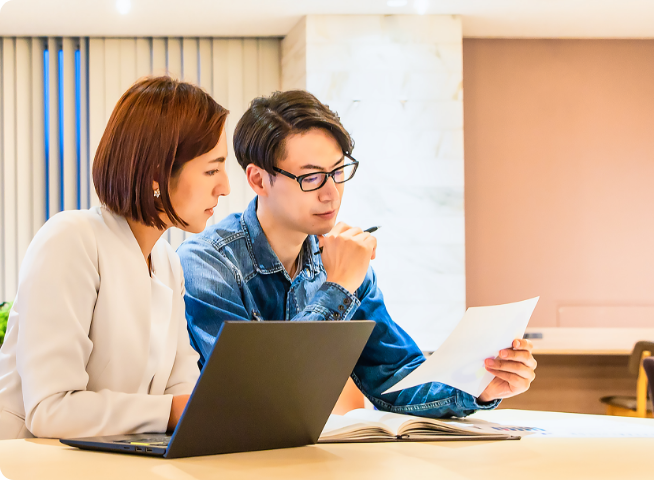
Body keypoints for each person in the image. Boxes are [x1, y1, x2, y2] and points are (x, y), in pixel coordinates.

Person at [178, 90, 537, 418]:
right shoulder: (206, 262)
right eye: (312, 177)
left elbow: (393, 375)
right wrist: (338, 287)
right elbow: (256, 397)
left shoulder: (342, 256)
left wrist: (478, 386)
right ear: (258, 180)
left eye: (338, 172)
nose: (331, 193)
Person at [0, 76, 230, 439]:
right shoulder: (71, 239)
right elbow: (50, 409)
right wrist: (171, 411)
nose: (225, 187)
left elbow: (181, 389)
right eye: (211, 170)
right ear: (157, 173)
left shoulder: (167, 262)